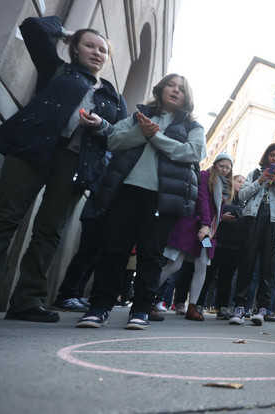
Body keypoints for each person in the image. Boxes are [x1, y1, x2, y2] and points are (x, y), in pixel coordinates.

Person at [0, 16, 127, 322]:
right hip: (32, 150)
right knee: (3, 219)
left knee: (49, 232)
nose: (96, 52)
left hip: (75, 163)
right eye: (88, 45)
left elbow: (120, 136)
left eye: (102, 49)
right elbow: (32, 28)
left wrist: (101, 124)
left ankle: (27, 300)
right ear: (75, 50)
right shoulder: (58, 69)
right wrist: (68, 32)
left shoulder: (113, 97)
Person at [76, 73, 206, 329]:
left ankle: (141, 310)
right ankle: (99, 307)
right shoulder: (139, 117)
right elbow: (114, 140)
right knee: (114, 251)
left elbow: (192, 152)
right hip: (125, 191)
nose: (175, 90)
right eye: (170, 84)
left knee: (152, 255)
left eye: (181, 88)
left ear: (187, 96)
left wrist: (154, 136)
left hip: (163, 199)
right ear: (160, 89)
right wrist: (142, 132)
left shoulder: (193, 126)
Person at [156, 152, 234, 321]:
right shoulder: (205, 175)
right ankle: (146, 297)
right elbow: (203, 200)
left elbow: (216, 211)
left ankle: (192, 306)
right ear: (215, 164)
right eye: (222, 166)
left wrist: (211, 227)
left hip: (208, 229)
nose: (224, 170)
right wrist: (206, 224)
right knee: (174, 264)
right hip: (191, 224)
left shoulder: (225, 185)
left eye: (228, 167)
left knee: (202, 265)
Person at [228, 143, 275, 326]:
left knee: (268, 265)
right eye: (272, 155)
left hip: (273, 222)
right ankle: (239, 307)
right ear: (267, 156)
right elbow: (241, 196)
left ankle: (262, 308)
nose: (274, 158)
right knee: (247, 262)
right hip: (253, 218)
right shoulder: (255, 174)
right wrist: (260, 181)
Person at [211, 174, 247, 320]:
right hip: (218, 242)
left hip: (234, 246)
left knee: (227, 278)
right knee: (210, 274)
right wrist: (223, 216)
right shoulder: (224, 196)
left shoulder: (245, 201)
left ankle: (223, 307)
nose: (241, 184)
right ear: (232, 182)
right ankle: (197, 304)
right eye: (239, 181)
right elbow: (217, 209)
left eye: (244, 183)